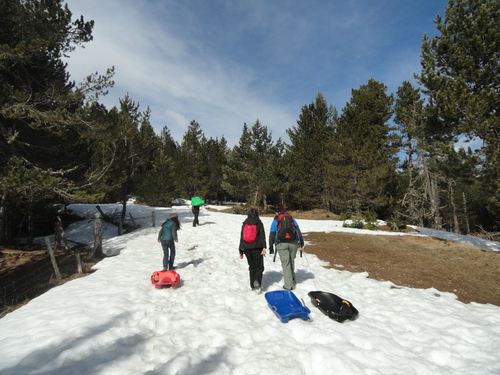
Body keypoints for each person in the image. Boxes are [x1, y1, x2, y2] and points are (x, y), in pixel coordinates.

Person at [269, 206, 304, 290]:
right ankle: (293, 280)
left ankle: (288, 285)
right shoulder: (291, 219)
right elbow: (298, 231)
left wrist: (271, 247)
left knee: (286, 263)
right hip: (293, 243)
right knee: (291, 261)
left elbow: (272, 234)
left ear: (276, 212)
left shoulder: (276, 220)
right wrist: (301, 243)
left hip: (281, 244)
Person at [239, 208, 267, 292]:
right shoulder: (259, 223)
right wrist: (264, 247)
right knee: (259, 266)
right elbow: (262, 236)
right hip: (257, 247)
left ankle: (252, 285)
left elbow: (242, 237)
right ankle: (257, 282)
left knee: (252, 266)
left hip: (247, 248)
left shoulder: (245, 223)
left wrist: (241, 250)